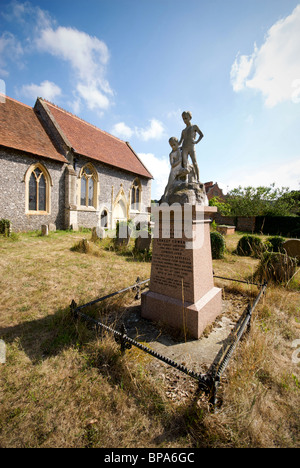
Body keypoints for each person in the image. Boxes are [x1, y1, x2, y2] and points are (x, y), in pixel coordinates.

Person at [178, 111, 203, 182]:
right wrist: (175, 146)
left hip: (191, 147)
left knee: (194, 162)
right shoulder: (183, 131)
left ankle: (198, 179)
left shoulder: (194, 127)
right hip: (184, 147)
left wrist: (196, 142)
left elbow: (201, 135)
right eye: (183, 119)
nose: (184, 120)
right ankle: (185, 180)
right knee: (185, 165)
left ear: (190, 118)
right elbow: (180, 142)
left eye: (186, 118)